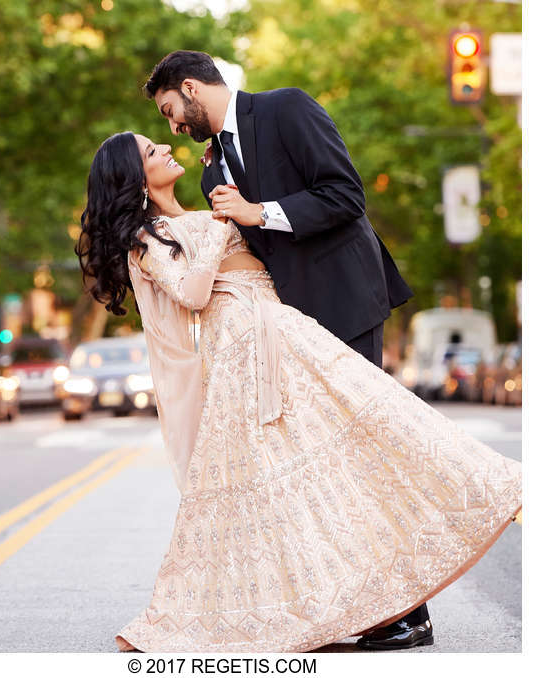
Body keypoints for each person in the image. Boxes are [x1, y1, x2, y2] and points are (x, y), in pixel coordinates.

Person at [76, 132, 521, 655]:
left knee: (374, 428)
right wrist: (222, 227)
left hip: (283, 328)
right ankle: (338, 608)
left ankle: (398, 591)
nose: (166, 149)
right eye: (152, 152)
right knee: (282, 484)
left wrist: (230, 187)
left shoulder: (206, 203)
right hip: (243, 348)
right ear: (135, 179)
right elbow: (194, 295)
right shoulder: (146, 238)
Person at [142, 50, 427, 648]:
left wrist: (257, 211)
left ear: (191, 89)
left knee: (364, 455)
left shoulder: (287, 108)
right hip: (287, 331)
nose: (173, 126)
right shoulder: (209, 171)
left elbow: (346, 195)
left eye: (171, 110)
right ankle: (377, 605)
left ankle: (406, 610)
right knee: (328, 469)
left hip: (345, 303)